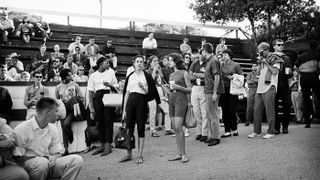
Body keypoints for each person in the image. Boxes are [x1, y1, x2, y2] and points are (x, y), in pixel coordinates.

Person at [13, 97, 83, 180]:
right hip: (29, 169)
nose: (58, 114)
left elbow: (57, 152)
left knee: (76, 160)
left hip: (47, 165)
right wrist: (44, 158)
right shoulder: (22, 129)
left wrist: (53, 158)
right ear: (47, 112)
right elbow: (17, 158)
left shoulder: (53, 128)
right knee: (41, 163)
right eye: (56, 111)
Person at [120, 55, 160, 164]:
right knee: (129, 128)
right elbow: (126, 93)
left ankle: (140, 155)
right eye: (137, 61)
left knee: (141, 128)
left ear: (144, 64)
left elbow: (150, 92)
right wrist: (124, 110)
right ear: (134, 63)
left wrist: (143, 88)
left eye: (141, 62)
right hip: (130, 103)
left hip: (141, 102)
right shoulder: (130, 76)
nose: (139, 63)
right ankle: (129, 154)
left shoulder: (146, 76)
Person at [248, 42, 283, 139]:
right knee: (256, 110)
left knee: (270, 110)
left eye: (261, 51)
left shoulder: (275, 58)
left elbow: (275, 71)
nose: (260, 53)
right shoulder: (262, 60)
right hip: (260, 87)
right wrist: (260, 64)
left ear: (267, 49)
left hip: (269, 86)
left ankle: (271, 132)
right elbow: (259, 73)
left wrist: (266, 63)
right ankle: (256, 131)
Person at [162, 53, 192, 163]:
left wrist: (179, 87)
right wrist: (163, 87)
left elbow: (190, 89)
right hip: (172, 99)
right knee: (175, 128)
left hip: (181, 99)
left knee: (179, 127)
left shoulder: (184, 73)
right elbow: (170, 92)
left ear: (176, 61)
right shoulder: (171, 75)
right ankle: (179, 153)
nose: (169, 62)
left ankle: (184, 154)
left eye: (171, 60)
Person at [88, 56, 118, 156]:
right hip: (98, 97)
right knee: (100, 121)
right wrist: (91, 108)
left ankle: (108, 145)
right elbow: (90, 92)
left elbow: (116, 87)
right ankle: (101, 144)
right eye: (106, 62)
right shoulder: (93, 76)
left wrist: (109, 85)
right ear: (101, 64)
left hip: (108, 96)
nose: (109, 64)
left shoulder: (111, 72)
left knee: (108, 121)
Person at [55, 68, 84, 155]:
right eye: (68, 75)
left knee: (74, 98)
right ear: (64, 77)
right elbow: (57, 101)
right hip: (64, 109)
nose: (70, 76)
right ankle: (66, 149)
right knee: (65, 125)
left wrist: (74, 101)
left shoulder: (75, 85)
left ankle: (78, 113)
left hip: (74, 108)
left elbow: (81, 98)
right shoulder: (58, 87)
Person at [202, 43, 224, 146]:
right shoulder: (209, 61)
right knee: (209, 114)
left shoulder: (214, 60)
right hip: (208, 90)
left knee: (213, 114)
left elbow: (217, 77)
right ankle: (211, 136)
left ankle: (216, 137)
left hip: (212, 91)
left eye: (202, 51)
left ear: (205, 51)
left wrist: (215, 92)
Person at [294, 40, 320, 128]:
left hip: (304, 78)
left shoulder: (302, 56)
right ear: (317, 46)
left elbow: (295, 67)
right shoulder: (318, 54)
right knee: (318, 97)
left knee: (306, 100)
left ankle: (307, 122)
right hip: (314, 76)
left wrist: (301, 73)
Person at [220, 49, 243, 138]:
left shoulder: (236, 65)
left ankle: (234, 129)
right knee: (224, 110)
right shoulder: (220, 65)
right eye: (223, 55)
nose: (223, 56)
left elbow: (241, 76)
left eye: (225, 54)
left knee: (232, 110)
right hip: (223, 89)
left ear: (230, 55)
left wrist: (234, 77)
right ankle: (227, 130)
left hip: (233, 89)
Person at [273, 39, 292, 134]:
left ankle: (285, 126)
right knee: (274, 106)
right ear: (274, 46)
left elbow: (289, 73)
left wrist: (290, 73)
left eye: (282, 44)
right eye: (279, 44)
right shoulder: (271, 57)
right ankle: (276, 127)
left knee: (287, 105)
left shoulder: (286, 58)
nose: (281, 46)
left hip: (284, 84)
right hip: (273, 85)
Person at [189, 51, 208, 142]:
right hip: (195, 88)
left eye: (204, 54)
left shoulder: (207, 63)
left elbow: (207, 76)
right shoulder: (194, 64)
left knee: (204, 111)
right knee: (196, 111)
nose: (202, 56)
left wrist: (195, 74)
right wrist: (200, 76)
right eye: (201, 54)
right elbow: (190, 77)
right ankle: (199, 132)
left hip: (203, 88)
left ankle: (204, 133)